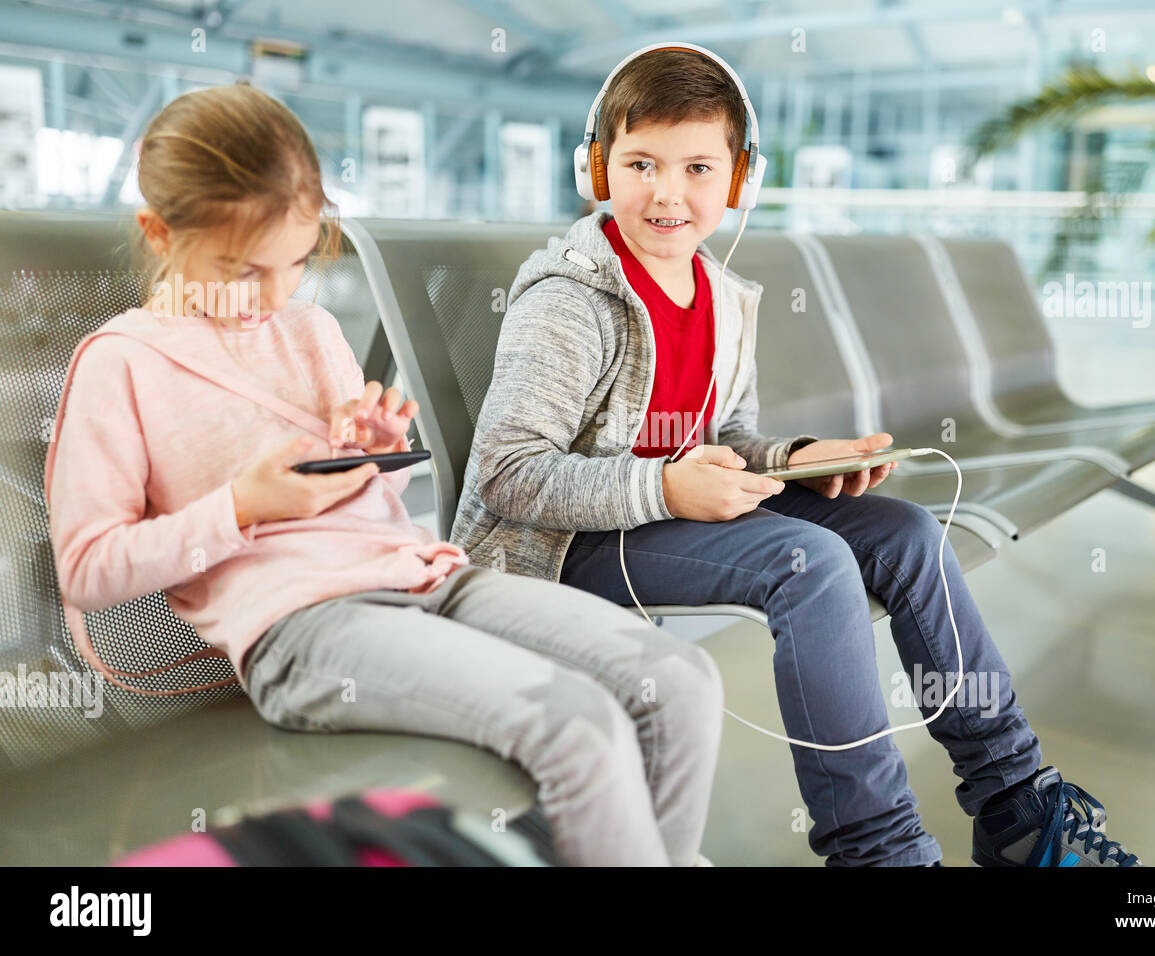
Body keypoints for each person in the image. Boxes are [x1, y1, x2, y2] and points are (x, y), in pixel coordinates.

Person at [451, 44, 1142, 867]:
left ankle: (1017, 805)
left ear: (739, 180)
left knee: (905, 533)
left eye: (698, 168)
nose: (668, 193)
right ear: (597, 169)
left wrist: (799, 457)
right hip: (570, 545)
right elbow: (506, 472)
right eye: (641, 163)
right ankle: (879, 849)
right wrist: (663, 485)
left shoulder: (723, 298)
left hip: (673, 512)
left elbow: (731, 439)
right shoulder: (570, 302)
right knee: (805, 559)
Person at [44, 83, 724, 867]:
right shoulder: (122, 363)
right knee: (580, 726)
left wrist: (370, 455)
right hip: (302, 630)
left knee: (679, 683)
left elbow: (369, 507)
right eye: (241, 267)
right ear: (158, 233)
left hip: (423, 580)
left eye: (296, 262)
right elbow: (89, 570)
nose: (273, 295)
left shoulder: (310, 328)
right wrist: (242, 506)